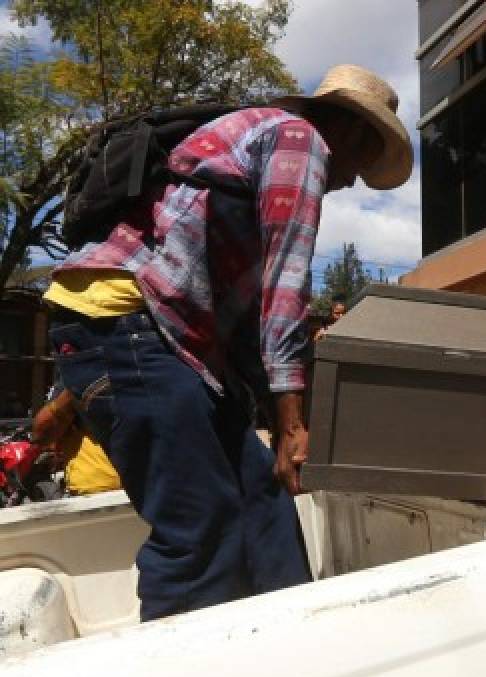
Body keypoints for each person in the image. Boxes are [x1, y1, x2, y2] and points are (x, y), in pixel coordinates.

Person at [41, 64, 414, 620]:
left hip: (171, 344)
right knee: (200, 527)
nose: (353, 181)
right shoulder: (299, 138)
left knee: (264, 503)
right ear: (355, 133)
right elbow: (286, 285)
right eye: (363, 162)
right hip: (125, 323)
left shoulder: (261, 144)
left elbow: (244, 329)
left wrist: (272, 405)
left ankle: (296, 647)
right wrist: (289, 425)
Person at [31, 385, 120, 496]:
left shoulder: (73, 381)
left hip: (96, 489)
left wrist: (72, 392)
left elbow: (42, 434)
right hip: (140, 486)